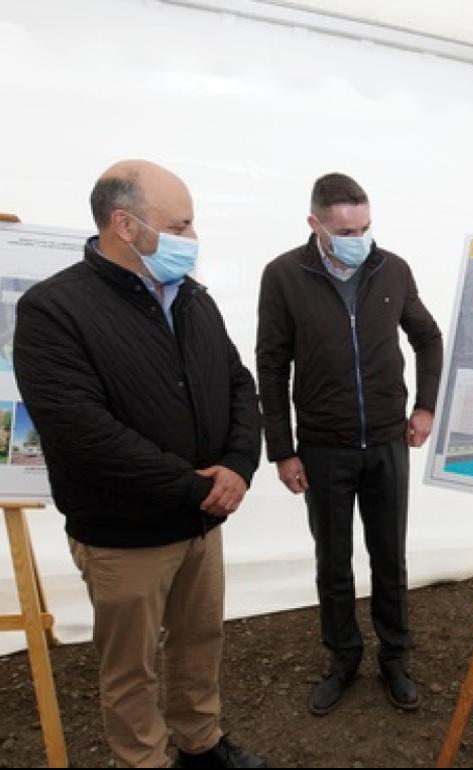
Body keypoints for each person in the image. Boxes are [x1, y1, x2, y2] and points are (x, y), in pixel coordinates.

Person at [13, 160, 267, 768]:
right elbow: (83, 432)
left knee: (199, 641)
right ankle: (144, 760)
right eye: (179, 226)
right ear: (124, 225)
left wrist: (237, 465)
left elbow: (238, 384)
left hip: (201, 522)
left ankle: (200, 744)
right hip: (124, 533)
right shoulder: (54, 310)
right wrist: (193, 488)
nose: (192, 238)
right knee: (130, 665)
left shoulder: (193, 298)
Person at [256, 172, 443, 716]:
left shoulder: (392, 269)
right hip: (323, 447)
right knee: (333, 561)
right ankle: (342, 658)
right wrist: (282, 449)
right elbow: (271, 364)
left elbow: (427, 337)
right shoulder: (284, 276)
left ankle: (395, 658)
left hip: (386, 441)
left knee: (390, 556)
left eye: (365, 227)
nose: (359, 239)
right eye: (345, 231)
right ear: (315, 224)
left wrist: (425, 406)